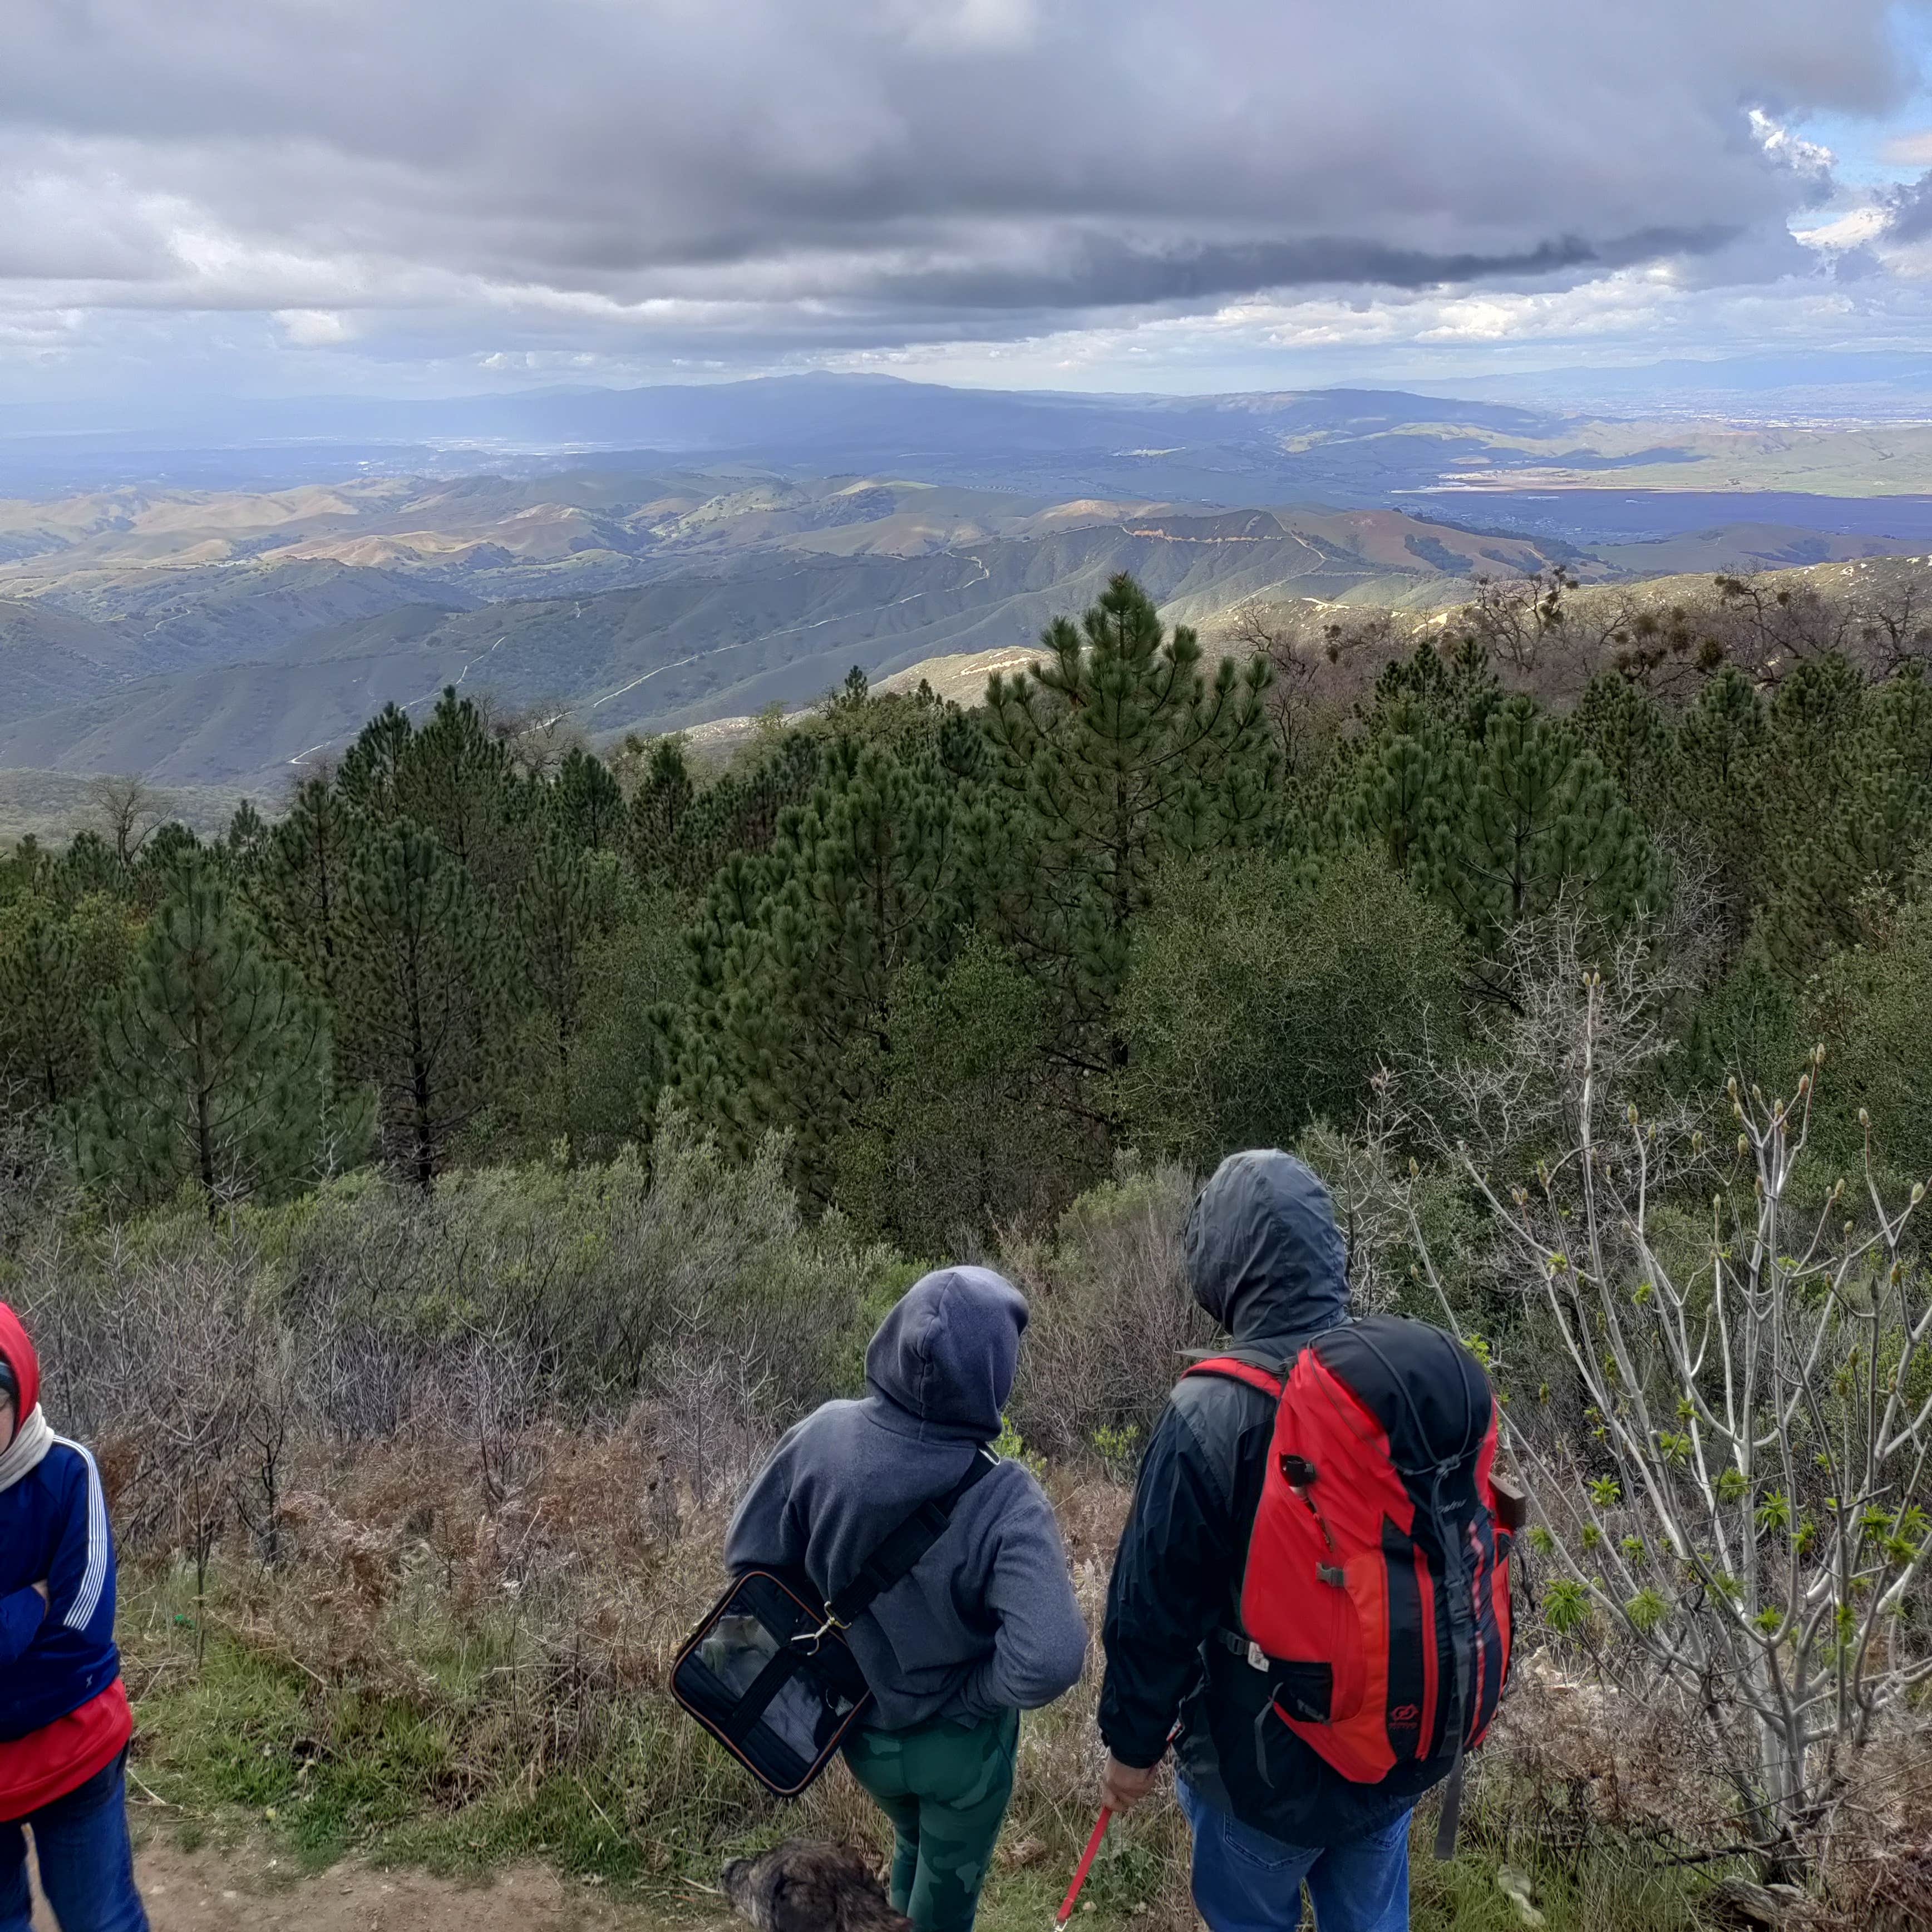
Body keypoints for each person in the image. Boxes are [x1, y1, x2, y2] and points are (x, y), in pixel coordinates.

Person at [1095, 1151, 1434, 1932]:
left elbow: (1153, 1610)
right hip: (1393, 1749)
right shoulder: (1403, 1378)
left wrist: (1131, 1748)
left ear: (1227, 1261)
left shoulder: (1210, 1411)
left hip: (1259, 1777)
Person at [727, 1266, 1086, 1932]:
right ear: (994, 1373)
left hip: (859, 1732)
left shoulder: (820, 1437)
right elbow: (1053, 1658)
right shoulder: (1006, 1497)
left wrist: (836, 1650)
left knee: (910, 1839)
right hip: (959, 1752)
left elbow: (748, 1561)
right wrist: (971, 1695)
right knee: (944, 1901)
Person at [0, 1303, 149, 1932]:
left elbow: (82, 1639)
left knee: (101, 1920)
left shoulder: (69, 1473)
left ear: (20, 1388)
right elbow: (53, 1622)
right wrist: (31, 1601)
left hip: (73, 1753)